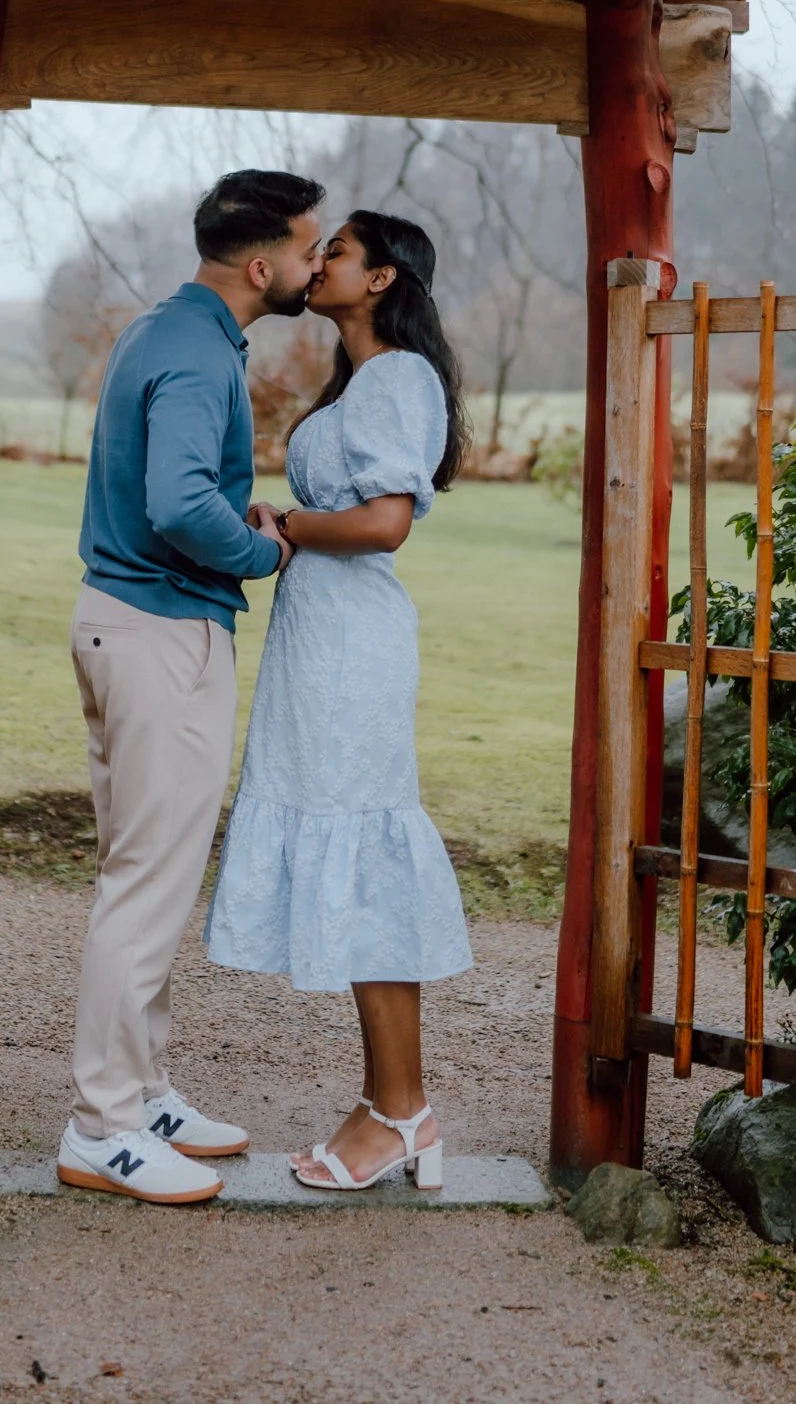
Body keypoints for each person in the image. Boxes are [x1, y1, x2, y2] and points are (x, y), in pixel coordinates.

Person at [57, 168, 325, 1205]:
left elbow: (177, 489)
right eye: (306, 249)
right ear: (261, 266)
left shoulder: (166, 330)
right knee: (146, 885)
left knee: (145, 877)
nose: (313, 265)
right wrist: (261, 552)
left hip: (121, 621)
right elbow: (175, 504)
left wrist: (232, 512)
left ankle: (142, 1091)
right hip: (162, 633)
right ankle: (102, 1128)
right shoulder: (198, 352)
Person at [205, 208, 473, 1192]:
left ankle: (401, 1111)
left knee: (364, 864)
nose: (318, 263)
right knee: (353, 858)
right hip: (319, 642)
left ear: (383, 279)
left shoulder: (398, 378)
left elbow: (384, 522)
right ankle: (387, 1105)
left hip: (352, 648)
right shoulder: (361, 382)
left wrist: (286, 523)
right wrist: (283, 524)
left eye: (339, 252)